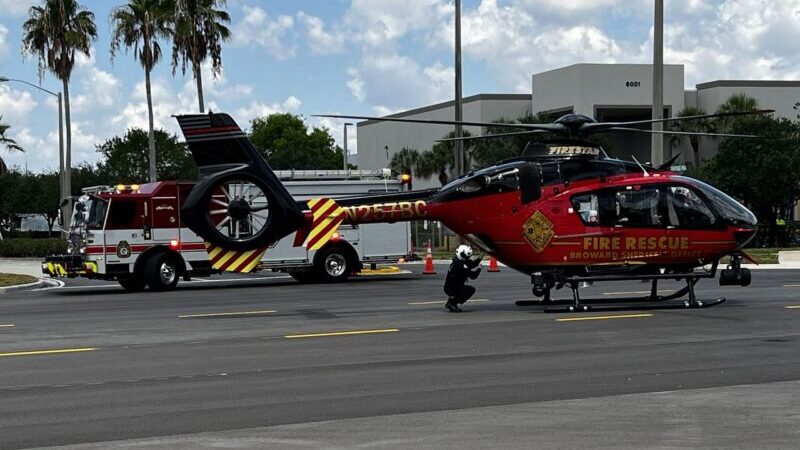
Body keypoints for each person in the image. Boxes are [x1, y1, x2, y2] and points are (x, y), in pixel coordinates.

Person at [444, 245, 482, 312]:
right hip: (452, 288)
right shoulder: (461, 265)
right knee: (471, 290)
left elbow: (472, 264)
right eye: (467, 256)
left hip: (449, 286)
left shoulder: (457, 261)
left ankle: (450, 302)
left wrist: (481, 256)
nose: (468, 258)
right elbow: (473, 276)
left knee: (460, 287)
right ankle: (452, 303)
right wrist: (479, 268)